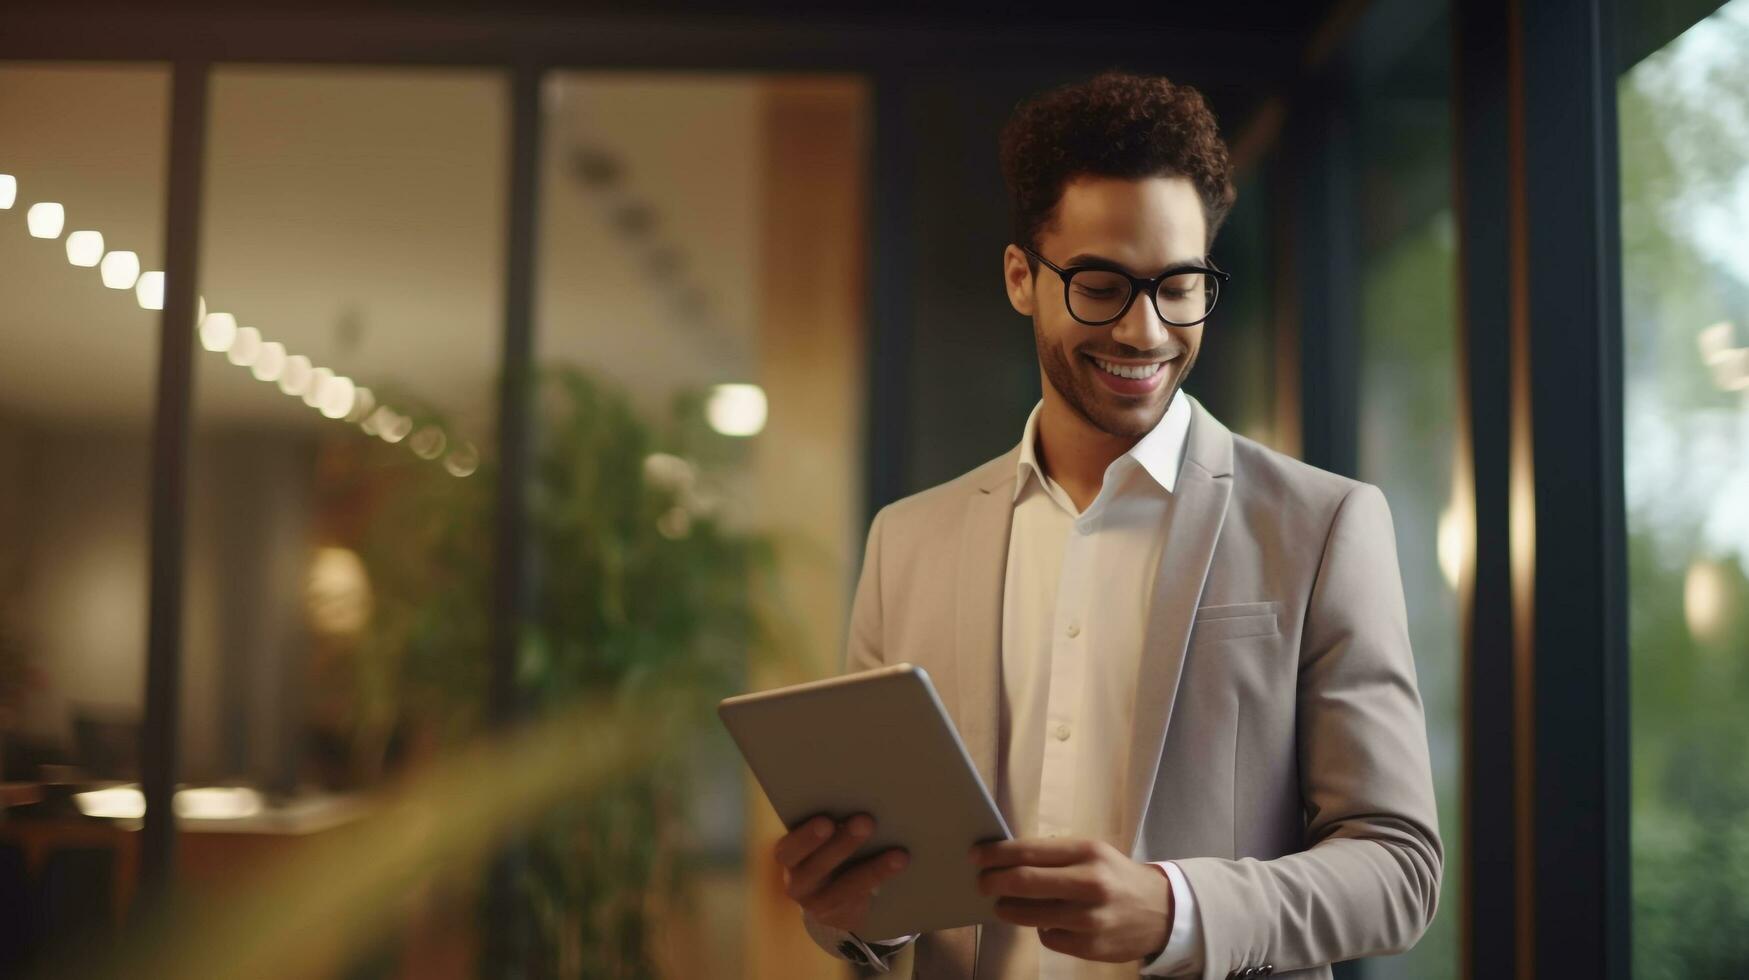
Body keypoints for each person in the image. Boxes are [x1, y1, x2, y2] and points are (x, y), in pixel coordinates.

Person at [771, 70, 1442, 980]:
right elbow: (878, 900)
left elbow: (1399, 871)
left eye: (1178, 285)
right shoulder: (908, 542)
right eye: (1100, 285)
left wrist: (1176, 909)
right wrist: (853, 913)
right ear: (1021, 278)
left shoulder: (1323, 526)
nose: (1144, 331)